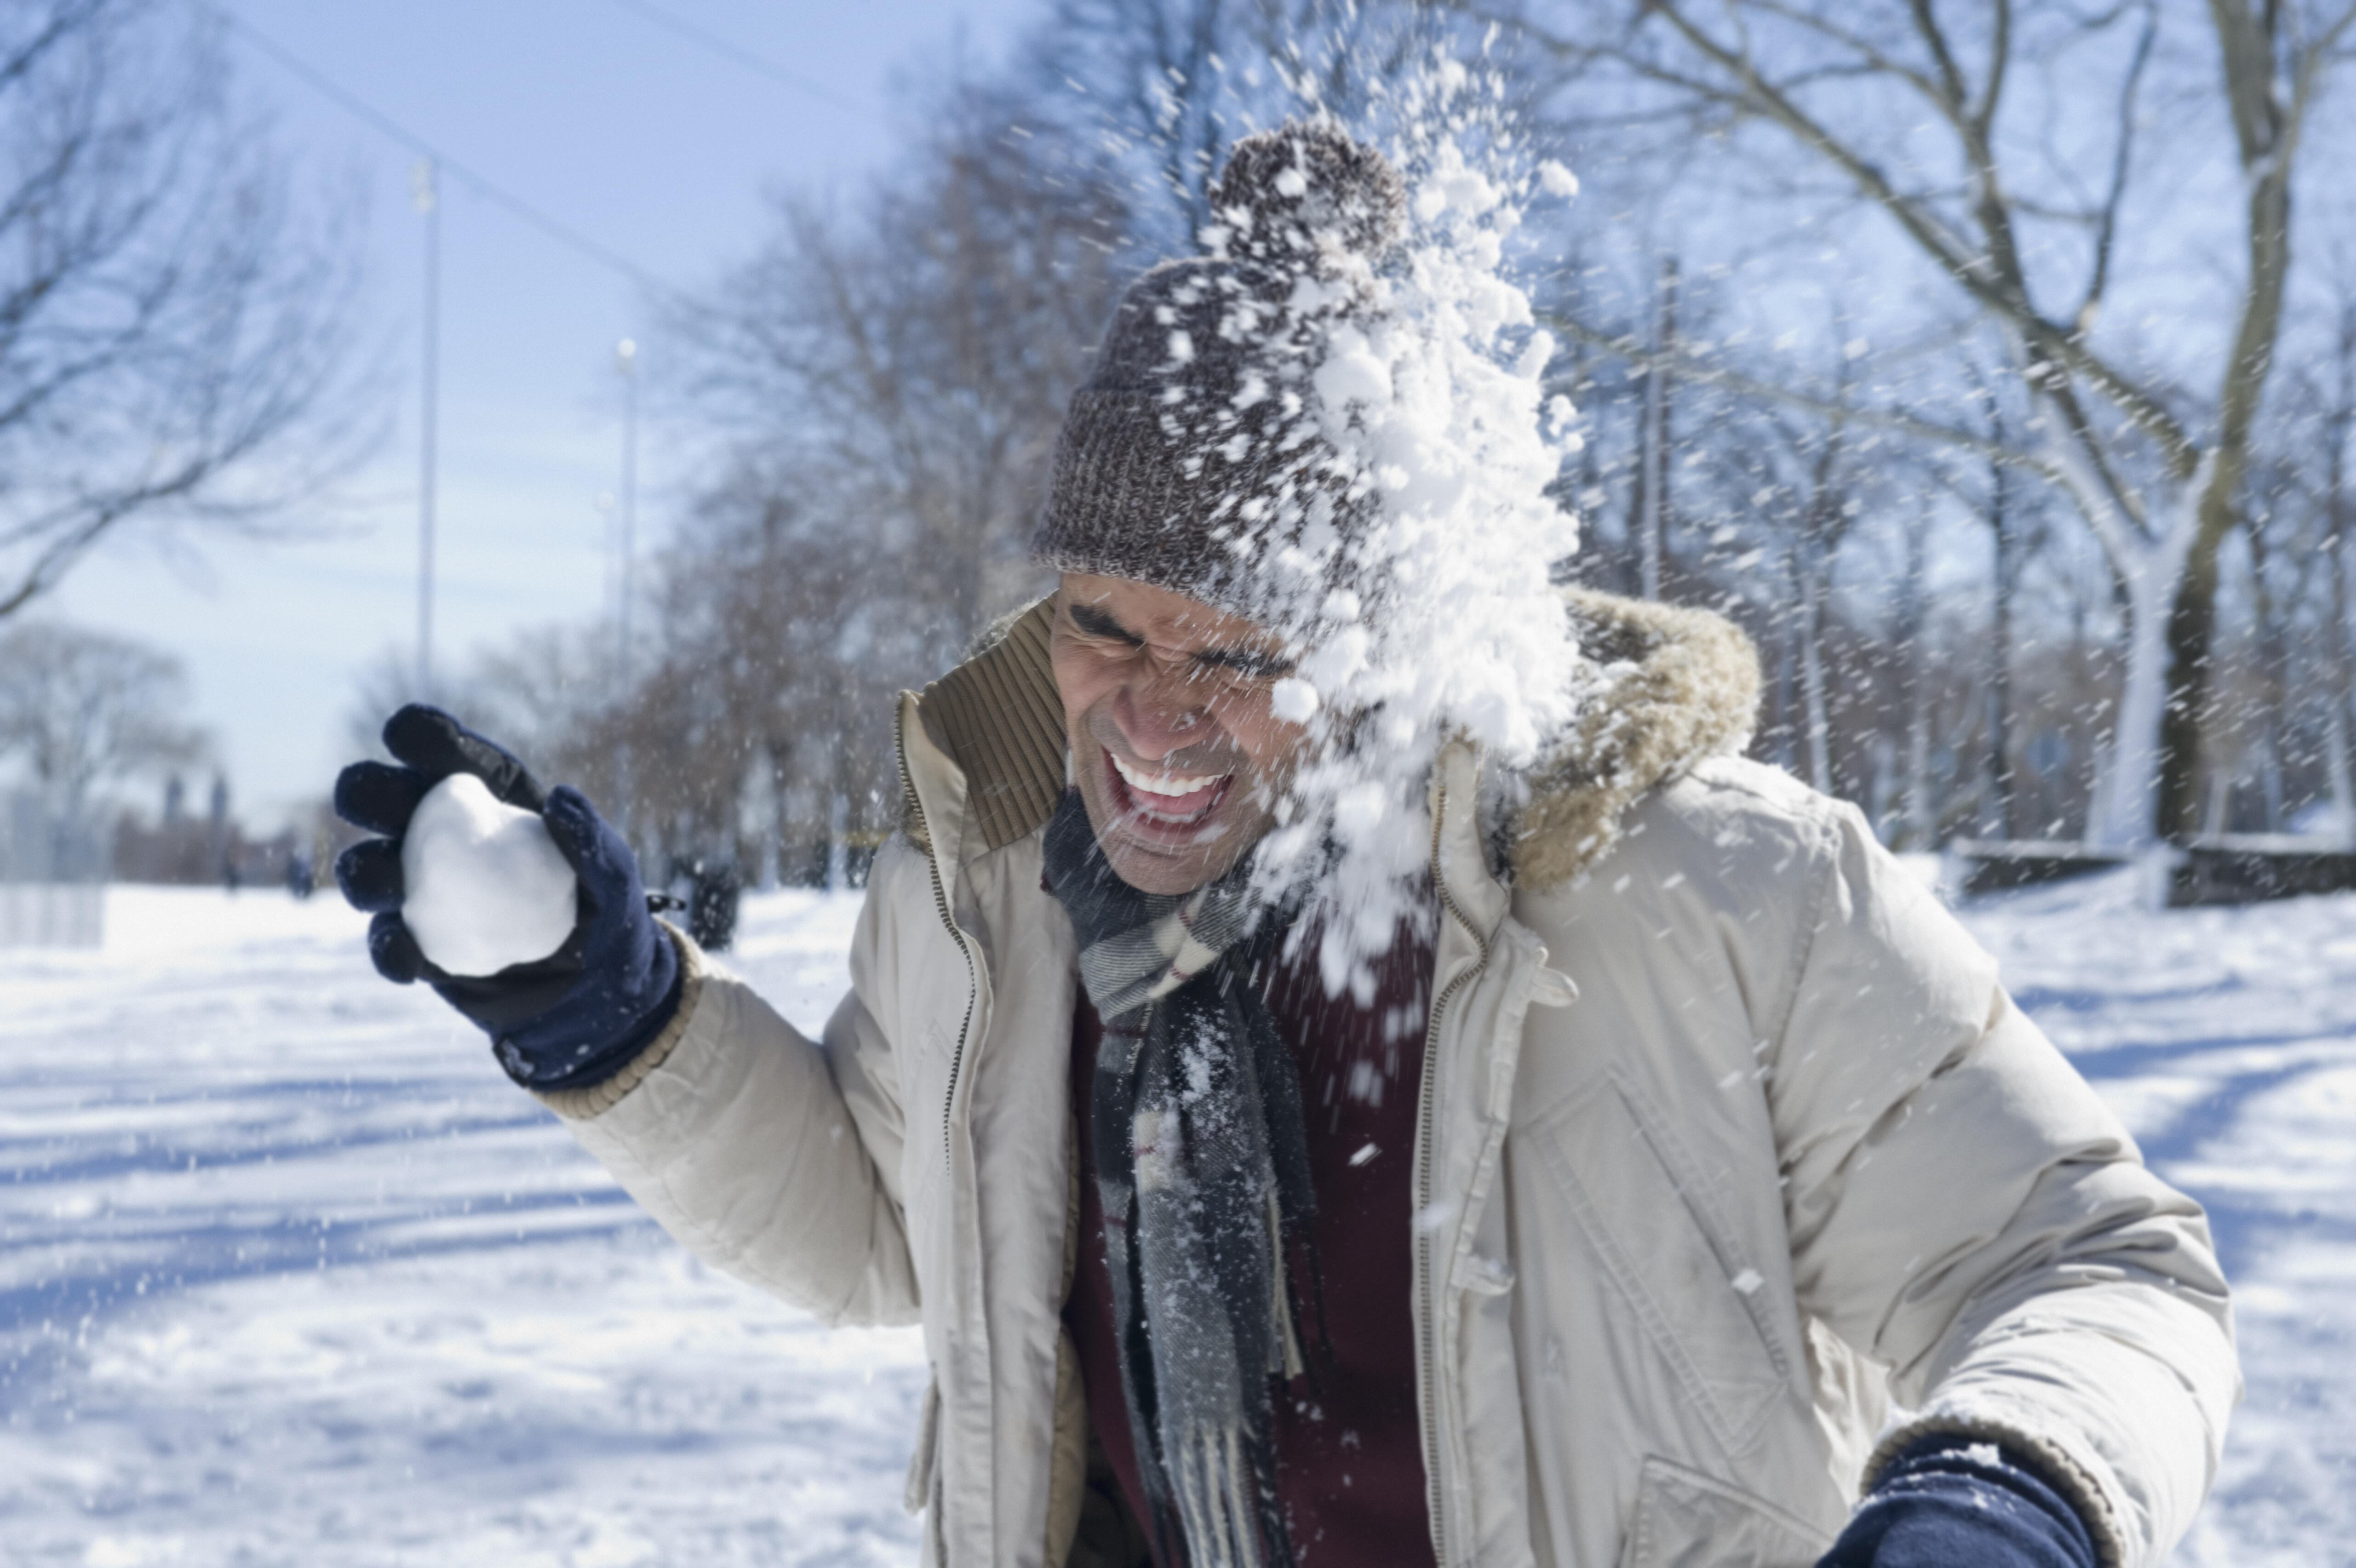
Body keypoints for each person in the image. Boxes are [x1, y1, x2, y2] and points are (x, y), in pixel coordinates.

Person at [335, 123, 2234, 1568]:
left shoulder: (1710, 891)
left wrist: (2009, 1499)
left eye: (1243, 653)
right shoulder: (991, 900)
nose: (1154, 715)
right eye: (1106, 625)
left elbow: (2092, 1267)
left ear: (1397, 651)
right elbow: (894, 1228)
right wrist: (613, 1009)